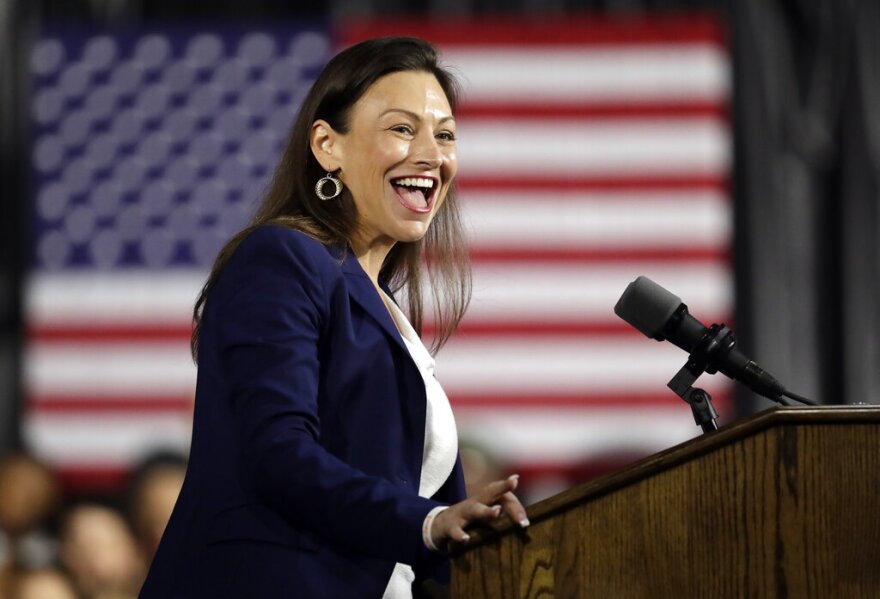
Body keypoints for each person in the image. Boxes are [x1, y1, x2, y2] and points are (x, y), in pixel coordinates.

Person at [139, 36, 528, 599]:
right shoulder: (282, 258)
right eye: (402, 129)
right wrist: (425, 524)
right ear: (327, 146)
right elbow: (278, 453)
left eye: (445, 135)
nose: (431, 155)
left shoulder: (387, 308)